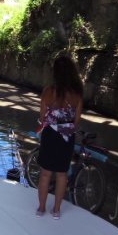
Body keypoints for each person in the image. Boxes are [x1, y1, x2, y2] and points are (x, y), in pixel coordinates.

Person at [35, 55, 84, 220]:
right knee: (62, 174)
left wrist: (51, 121)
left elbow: (42, 118)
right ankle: (56, 210)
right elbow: (77, 122)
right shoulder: (77, 94)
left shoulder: (48, 91)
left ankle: (41, 208)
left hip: (50, 137)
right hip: (67, 138)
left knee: (45, 174)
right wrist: (66, 126)